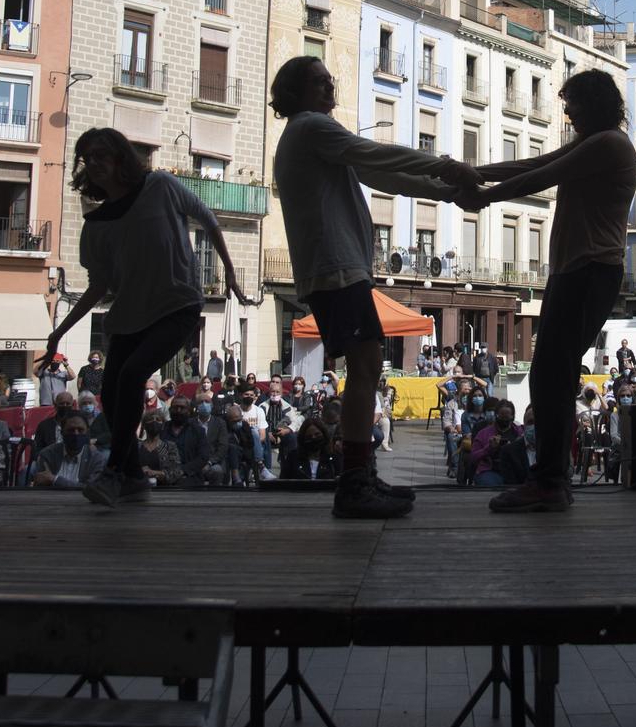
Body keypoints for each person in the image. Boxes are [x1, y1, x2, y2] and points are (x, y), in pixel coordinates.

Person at [272, 56, 476, 517]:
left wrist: (448, 191)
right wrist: (448, 168)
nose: (330, 87)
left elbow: (382, 175)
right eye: (319, 82)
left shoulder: (314, 138)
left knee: (366, 370)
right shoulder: (309, 128)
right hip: (336, 267)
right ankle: (354, 483)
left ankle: (360, 477)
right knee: (365, 370)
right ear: (296, 92)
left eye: (330, 80)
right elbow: (376, 156)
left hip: (339, 269)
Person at [454, 70, 636, 513]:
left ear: (592, 103)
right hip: (576, 271)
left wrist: (484, 195)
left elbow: (541, 175)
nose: (568, 111)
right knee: (552, 375)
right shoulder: (594, 143)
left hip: (588, 271)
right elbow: (532, 165)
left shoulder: (609, 143)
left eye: (572, 102)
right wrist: (472, 172)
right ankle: (552, 481)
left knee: (551, 376)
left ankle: (551, 482)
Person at [46, 128, 241, 509]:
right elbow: (99, 286)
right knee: (111, 393)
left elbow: (207, 219)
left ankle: (116, 471)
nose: (96, 163)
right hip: (127, 318)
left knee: (133, 375)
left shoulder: (162, 186)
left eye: (103, 154)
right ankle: (134, 476)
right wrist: (60, 332)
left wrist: (229, 271)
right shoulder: (96, 225)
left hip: (178, 305)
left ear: (121, 157)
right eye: (89, 158)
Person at [33, 413, 103, 489]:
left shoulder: (96, 458)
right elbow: (40, 486)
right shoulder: (47, 455)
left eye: (80, 430)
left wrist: (55, 479)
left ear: (87, 432)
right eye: (71, 430)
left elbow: (92, 489)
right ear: (62, 433)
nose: (76, 434)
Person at [472, 400, 529, 487]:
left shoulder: (521, 433)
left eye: (507, 416)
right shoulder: (483, 434)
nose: (504, 419)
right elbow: (473, 457)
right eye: (501, 416)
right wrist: (489, 448)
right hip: (491, 471)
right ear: (496, 415)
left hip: (516, 471)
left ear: (512, 416)